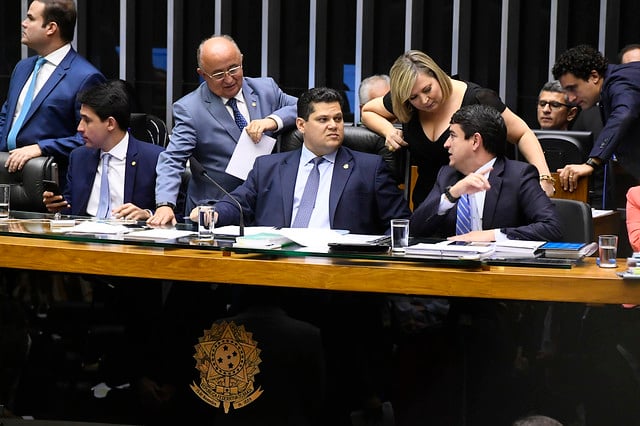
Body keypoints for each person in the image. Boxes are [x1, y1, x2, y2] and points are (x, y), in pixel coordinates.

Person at [361, 50, 555, 206]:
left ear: (438, 76)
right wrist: (388, 130)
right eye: (413, 97)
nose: (424, 100)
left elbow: (522, 133)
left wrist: (544, 176)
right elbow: (368, 111)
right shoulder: (407, 102)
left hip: (480, 203)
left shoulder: (477, 98)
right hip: (430, 205)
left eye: (427, 89)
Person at [203, 87, 410, 232]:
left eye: (337, 119)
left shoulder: (369, 168)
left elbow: (400, 222)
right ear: (301, 125)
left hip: (340, 272)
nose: (333, 125)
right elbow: (239, 204)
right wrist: (214, 213)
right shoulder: (268, 167)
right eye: (323, 120)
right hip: (278, 268)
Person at [148, 34, 298, 226]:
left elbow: (306, 107)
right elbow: (172, 159)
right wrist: (164, 203)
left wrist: (273, 120)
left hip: (265, 206)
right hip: (214, 211)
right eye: (218, 74)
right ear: (202, 74)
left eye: (233, 68)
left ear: (241, 60)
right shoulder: (190, 109)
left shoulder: (265, 89)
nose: (228, 79)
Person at [410, 104, 561, 242]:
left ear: (475, 141)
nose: (446, 144)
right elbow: (414, 230)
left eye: (453, 136)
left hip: (499, 268)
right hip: (452, 267)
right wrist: (452, 194)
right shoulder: (447, 175)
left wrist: (492, 235)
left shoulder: (518, 176)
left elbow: (551, 228)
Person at [0, 0, 105, 187]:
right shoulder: (22, 68)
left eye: (31, 18)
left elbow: (91, 138)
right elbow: (6, 117)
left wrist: (41, 148)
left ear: (51, 28)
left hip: (49, 182)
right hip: (6, 173)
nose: (24, 23)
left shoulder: (85, 77)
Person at [43, 80, 163, 219]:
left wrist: (148, 214)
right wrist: (57, 206)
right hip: (83, 235)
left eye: (87, 120)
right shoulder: (79, 157)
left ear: (110, 123)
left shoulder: (155, 159)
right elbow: (70, 210)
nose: (80, 128)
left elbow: (176, 216)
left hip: (127, 237)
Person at [552, 44, 640, 193]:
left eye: (573, 88)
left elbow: (624, 114)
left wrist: (591, 163)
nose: (571, 98)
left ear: (594, 76)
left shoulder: (620, 82)